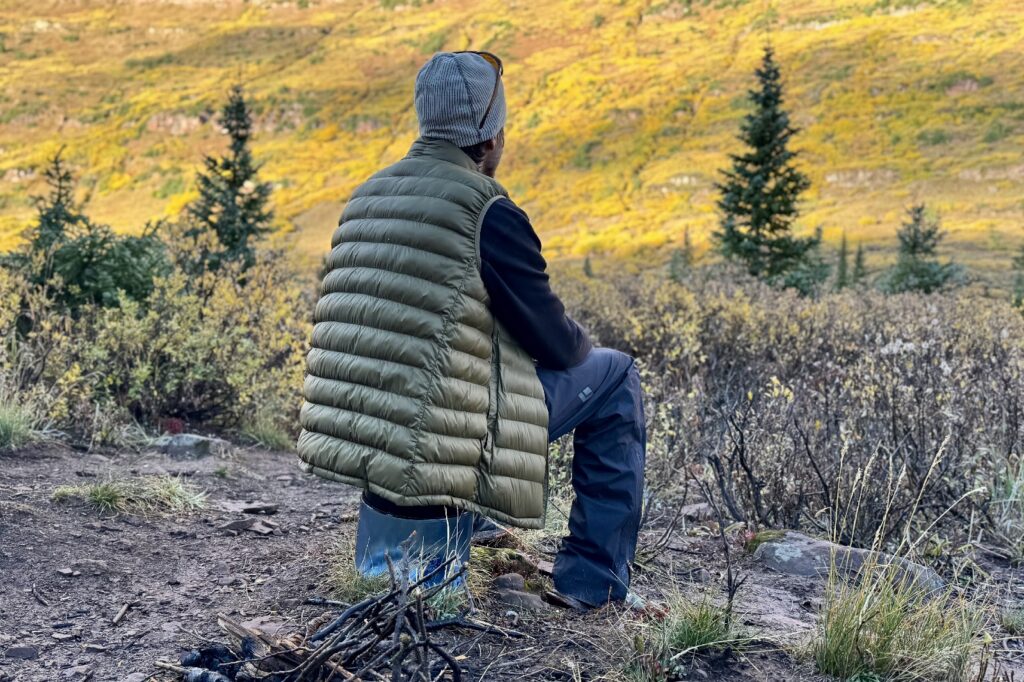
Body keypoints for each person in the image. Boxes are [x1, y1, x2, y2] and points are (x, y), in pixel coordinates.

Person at [297, 51, 646, 609]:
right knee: (615, 375)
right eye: (501, 128)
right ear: (488, 139)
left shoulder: (370, 192)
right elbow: (555, 342)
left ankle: (476, 520)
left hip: (368, 447)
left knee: (451, 370)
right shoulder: (487, 210)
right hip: (430, 446)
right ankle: (594, 585)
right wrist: (581, 344)